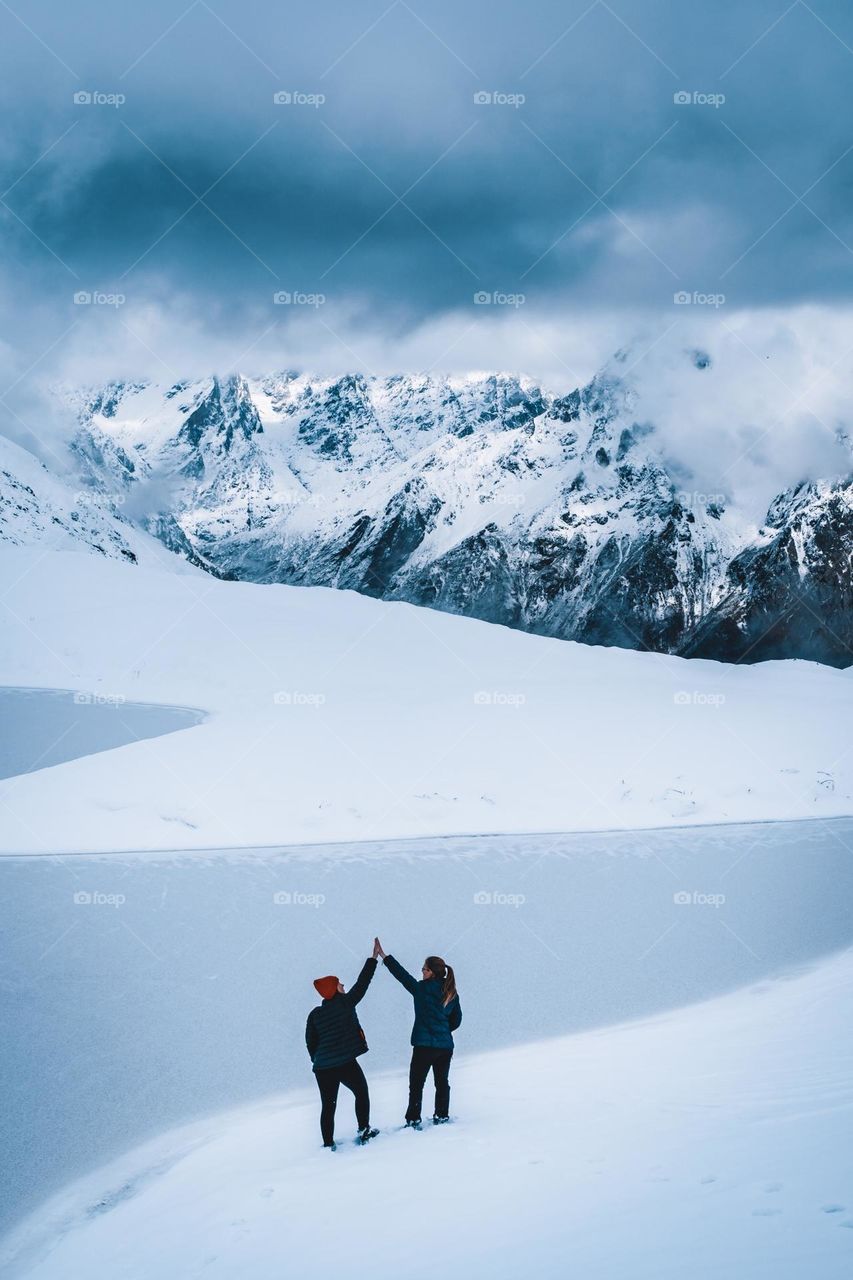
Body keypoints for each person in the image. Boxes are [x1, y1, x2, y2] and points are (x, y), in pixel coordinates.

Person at [374, 937, 461, 1128]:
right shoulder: (451, 992)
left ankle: (413, 1119)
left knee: (416, 1084)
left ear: (432, 972)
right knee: (442, 1082)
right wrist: (443, 1031)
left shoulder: (420, 989)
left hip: (423, 1047)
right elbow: (456, 1021)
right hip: (445, 1047)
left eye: (424, 968)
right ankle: (442, 1115)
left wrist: (385, 957)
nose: (421, 971)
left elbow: (402, 976)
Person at [305, 942, 382, 1149]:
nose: (343, 986)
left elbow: (310, 1042)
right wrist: (373, 959)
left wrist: (319, 1059)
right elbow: (363, 983)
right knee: (362, 1092)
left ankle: (328, 1144)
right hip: (344, 1063)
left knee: (328, 1106)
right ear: (333, 989)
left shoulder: (315, 1014)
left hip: (323, 1067)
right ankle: (364, 1130)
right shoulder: (345, 1003)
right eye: (339, 984)